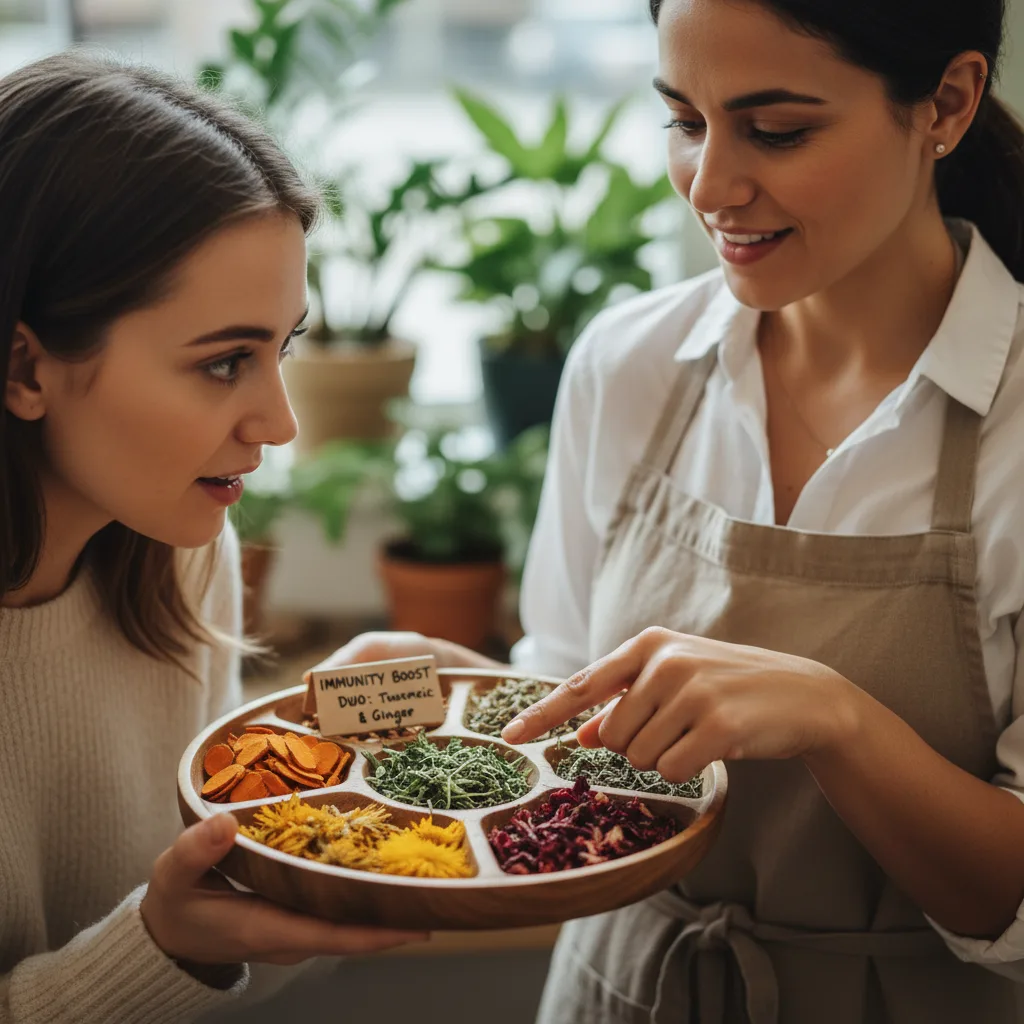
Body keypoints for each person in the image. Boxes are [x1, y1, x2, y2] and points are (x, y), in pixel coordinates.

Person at [308, 0, 1024, 1020]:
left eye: (777, 130)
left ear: (946, 104)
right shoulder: (627, 362)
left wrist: (838, 720)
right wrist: (458, 692)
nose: (712, 185)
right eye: (685, 121)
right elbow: (567, 699)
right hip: (615, 989)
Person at [0, 52, 428, 1024]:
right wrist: (156, 945)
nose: (279, 423)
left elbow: (203, 945)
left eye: (282, 349)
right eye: (224, 360)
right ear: (25, 366)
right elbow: (162, 940)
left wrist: (315, 762)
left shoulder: (181, 557)